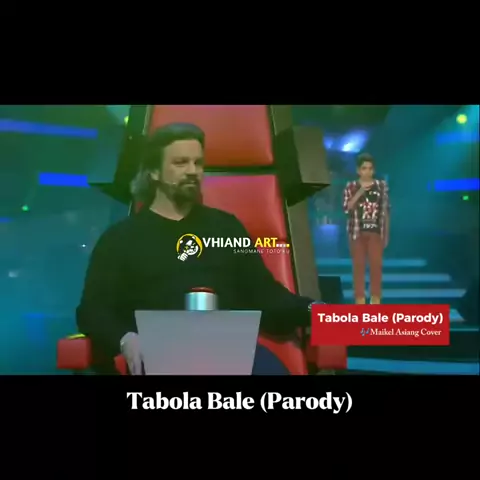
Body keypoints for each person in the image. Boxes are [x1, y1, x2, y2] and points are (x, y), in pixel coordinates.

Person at [77, 123, 317, 375]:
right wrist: (124, 338)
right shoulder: (120, 238)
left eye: (198, 163)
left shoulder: (227, 228)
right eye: (180, 163)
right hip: (159, 354)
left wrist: (320, 313)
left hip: (229, 352)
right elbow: (92, 311)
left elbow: (267, 296)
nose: (193, 171)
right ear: (154, 172)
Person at [342, 153, 390, 305]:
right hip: (357, 233)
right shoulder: (351, 186)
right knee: (358, 266)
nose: (367, 172)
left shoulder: (381, 186)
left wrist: (386, 234)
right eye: (364, 168)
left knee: (376, 265)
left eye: (370, 168)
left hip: (375, 232)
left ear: (373, 170)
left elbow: (386, 211)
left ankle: (375, 298)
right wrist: (360, 191)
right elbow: (347, 208)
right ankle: (360, 299)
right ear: (358, 170)